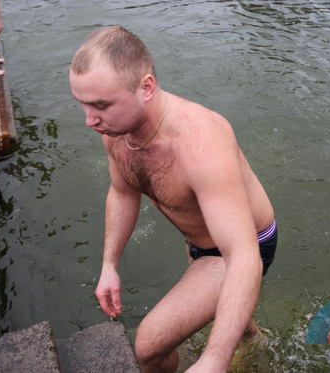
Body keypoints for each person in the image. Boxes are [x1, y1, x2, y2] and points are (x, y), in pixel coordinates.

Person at [69, 26, 278, 373]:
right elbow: (122, 191)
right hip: (199, 238)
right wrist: (109, 265)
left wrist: (214, 359)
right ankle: (252, 339)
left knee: (149, 346)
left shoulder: (200, 144)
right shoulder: (116, 129)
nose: (89, 120)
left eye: (101, 105)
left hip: (245, 245)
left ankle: (231, 347)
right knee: (213, 302)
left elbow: (242, 256)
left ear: (146, 87)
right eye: (83, 104)